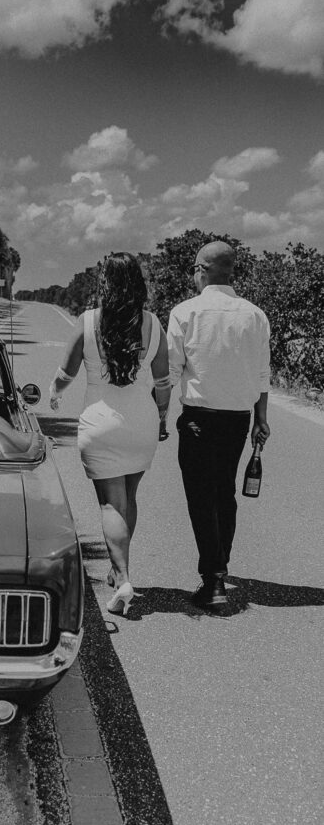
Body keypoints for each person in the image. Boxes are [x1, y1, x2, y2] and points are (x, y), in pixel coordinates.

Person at [49, 252, 171, 617]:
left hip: (99, 423)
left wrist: (53, 393)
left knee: (109, 503)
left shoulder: (88, 322)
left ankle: (123, 574)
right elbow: (163, 381)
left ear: (104, 282)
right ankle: (119, 575)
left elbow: (65, 373)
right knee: (128, 499)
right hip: (141, 422)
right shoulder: (153, 324)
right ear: (138, 282)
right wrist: (162, 415)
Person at [167, 241, 271, 609]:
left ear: (201, 270)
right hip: (238, 421)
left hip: (198, 419)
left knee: (200, 498)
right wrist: (261, 418)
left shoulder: (185, 312)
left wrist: (160, 417)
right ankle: (219, 567)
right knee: (224, 493)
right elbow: (262, 376)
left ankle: (213, 580)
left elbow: (171, 372)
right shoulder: (255, 315)